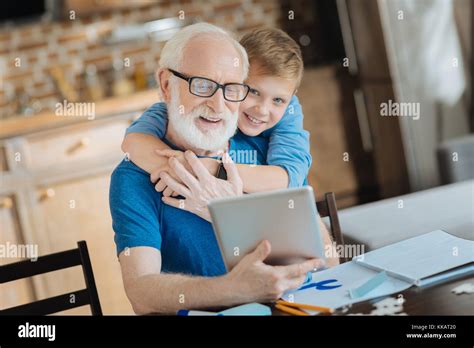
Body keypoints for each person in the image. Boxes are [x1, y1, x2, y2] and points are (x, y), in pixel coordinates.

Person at [109, 23, 338, 315]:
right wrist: (234, 288)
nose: (218, 105)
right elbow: (141, 294)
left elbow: (327, 262)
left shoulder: (265, 151)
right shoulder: (135, 176)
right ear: (166, 85)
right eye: (202, 85)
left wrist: (227, 206)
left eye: (232, 89)